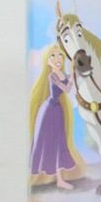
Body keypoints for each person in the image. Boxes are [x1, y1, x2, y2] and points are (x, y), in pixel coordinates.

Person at [29, 44, 84, 189]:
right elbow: (66, 88)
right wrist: (71, 77)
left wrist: (74, 73)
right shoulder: (52, 76)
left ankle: (60, 180)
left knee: (60, 142)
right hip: (48, 111)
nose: (57, 59)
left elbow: (72, 84)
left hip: (57, 110)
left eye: (60, 55)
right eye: (52, 56)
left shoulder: (63, 74)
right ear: (47, 61)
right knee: (50, 142)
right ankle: (53, 178)